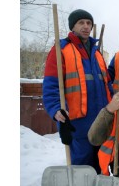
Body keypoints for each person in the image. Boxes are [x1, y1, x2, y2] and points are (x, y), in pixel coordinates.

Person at [42, 9, 112, 174]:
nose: (86, 26)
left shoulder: (97, 54)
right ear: (73, 26)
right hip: (78, 122)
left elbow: (107, 84)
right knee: (82, 167)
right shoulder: (61, 50)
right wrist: (55, 109)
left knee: (102, 164)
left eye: (89, 23)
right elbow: (51, 86)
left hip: (101, 120)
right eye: (81, 22)